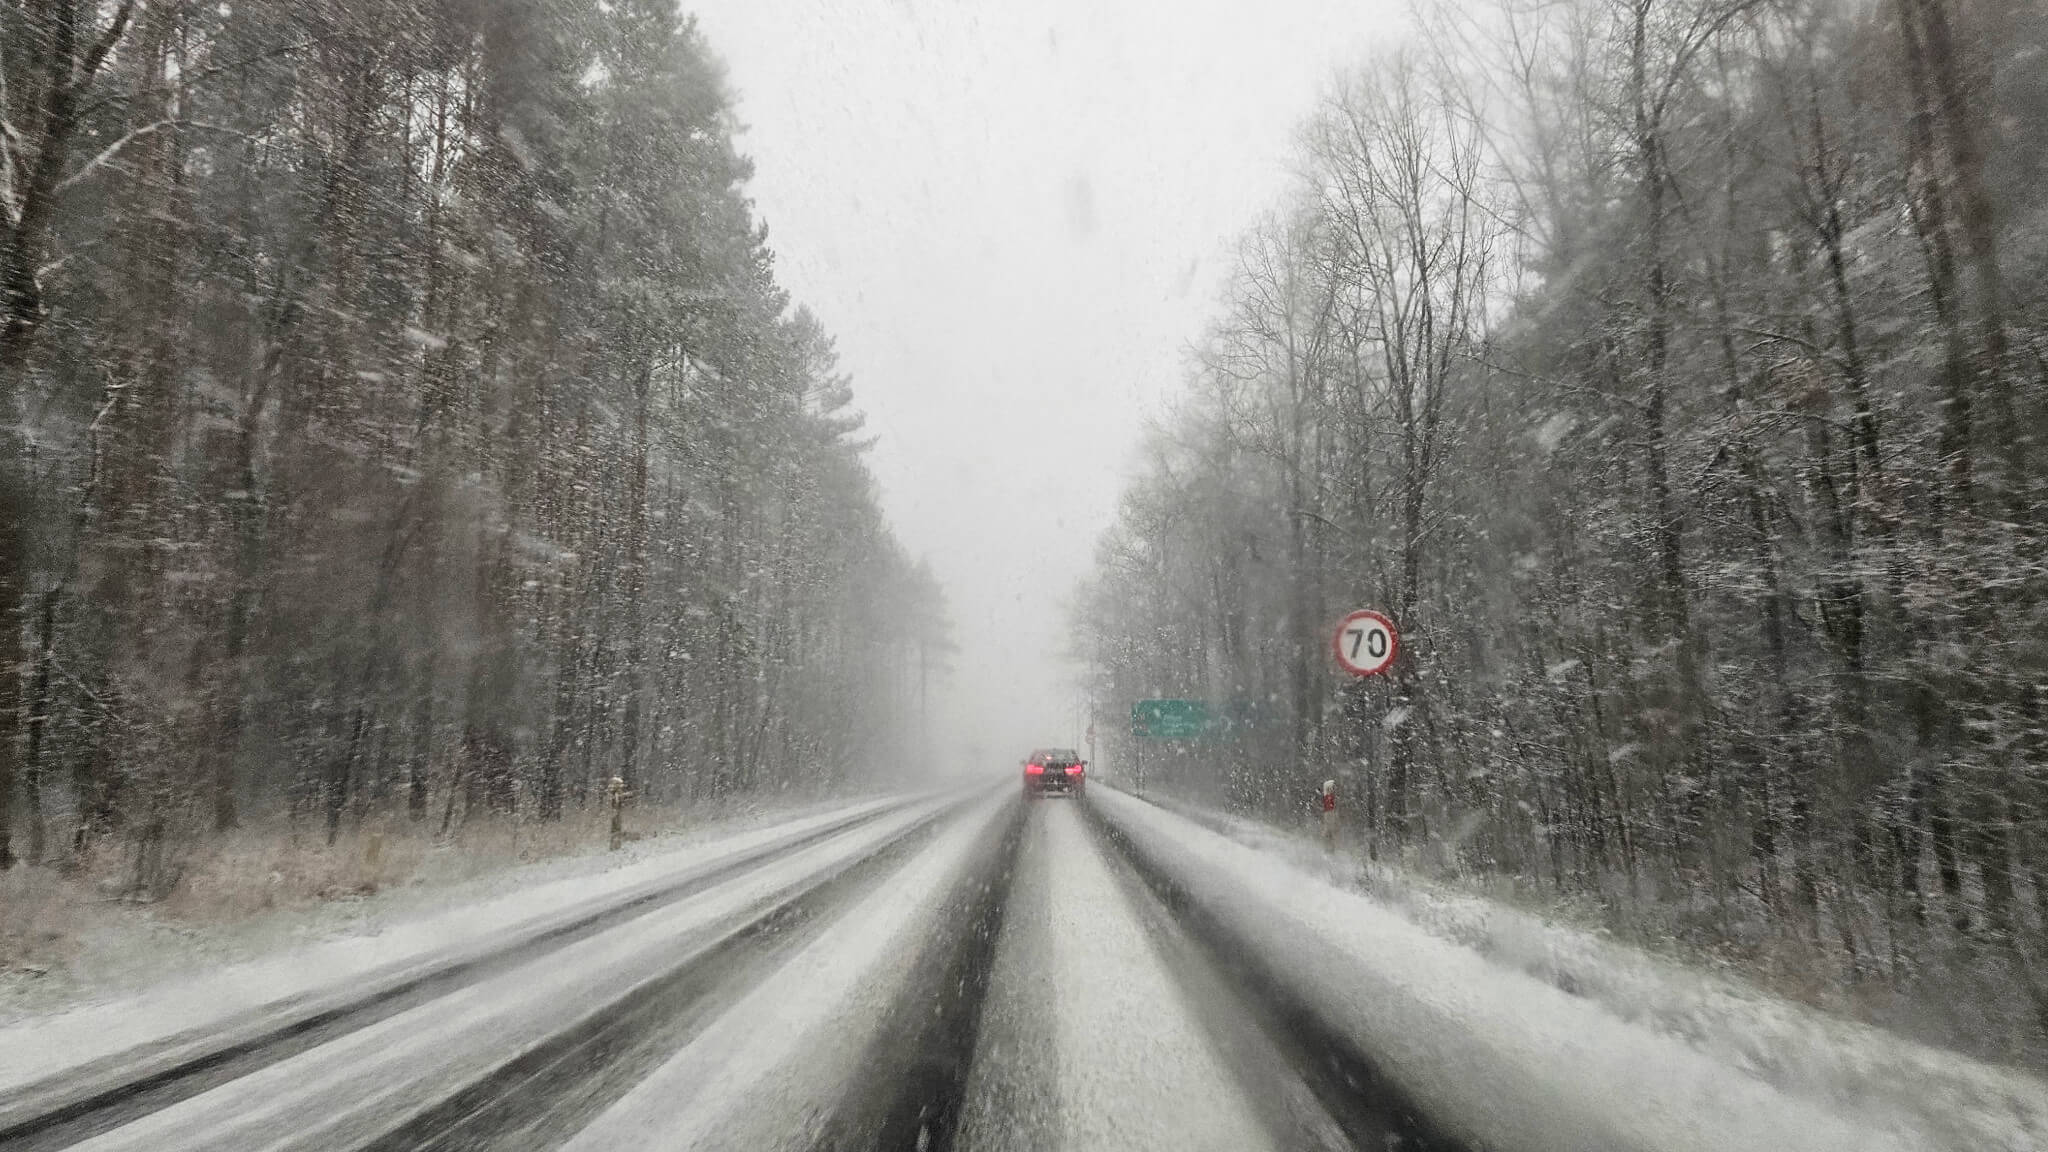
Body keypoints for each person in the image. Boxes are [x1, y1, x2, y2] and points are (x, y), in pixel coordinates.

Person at [1320, 779, 1337, 853]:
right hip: (1329, 813)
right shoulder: (1328, 796)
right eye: (1332, 787)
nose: (1333, 789)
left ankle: (1330, 848)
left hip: (1330, 813)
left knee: (1329, 831)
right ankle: (1329, 848)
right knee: (1329, 831)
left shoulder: (1329, 796)